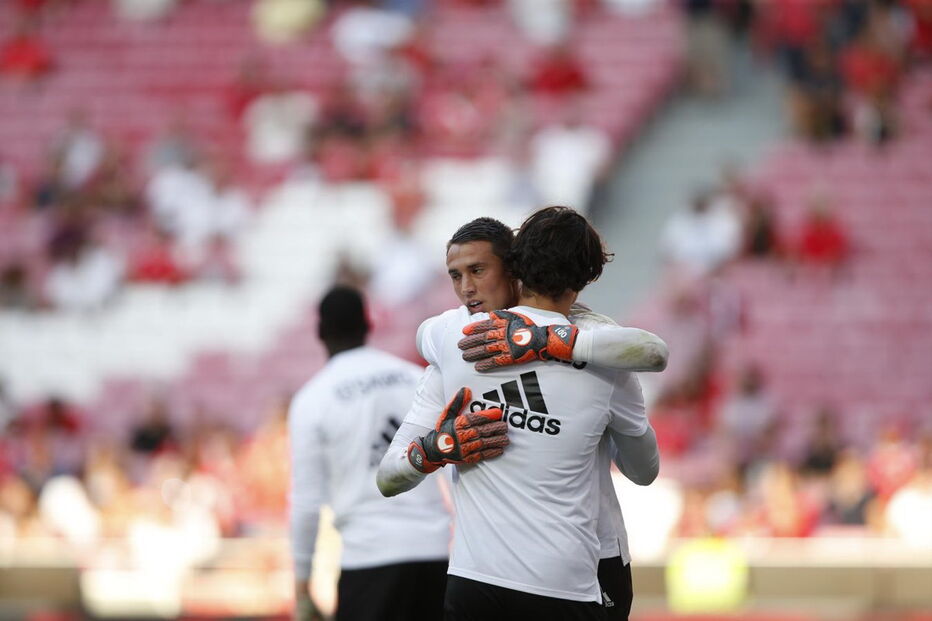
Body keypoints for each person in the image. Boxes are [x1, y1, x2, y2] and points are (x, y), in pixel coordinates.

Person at [378, 207, 662, 620]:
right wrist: (438, 449)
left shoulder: (459, 339)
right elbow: (645, 460)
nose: (466, 289)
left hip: (577, 561)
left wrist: (548, 340)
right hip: (564, 576)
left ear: (516, 269)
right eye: (456, 276)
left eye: (478, 270)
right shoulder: (603, 354)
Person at [289, 286, 473, 621]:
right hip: (435, 556)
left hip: (368, 560)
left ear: (320, 332)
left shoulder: (312, 400)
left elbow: (306, 502)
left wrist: (302, 585)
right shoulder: (418, 378)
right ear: (368, 324)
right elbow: (458, 468)